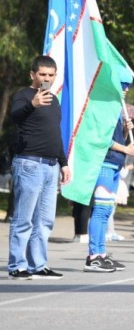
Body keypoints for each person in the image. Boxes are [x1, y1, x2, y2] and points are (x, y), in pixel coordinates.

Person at [8, 55, 72, 279]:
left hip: (50, 166)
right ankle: (17, 265)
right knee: (23, 219)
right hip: (29, 163)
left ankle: (38, 264)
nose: (46, 78)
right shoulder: (23, 96)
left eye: (51, 75)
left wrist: (63, 163)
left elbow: (56, 134)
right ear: (32, 75)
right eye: (42, 74)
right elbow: (14, 117)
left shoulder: (54, 100)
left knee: (44, 220)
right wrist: (32, 105)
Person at [84, 69, 134, 272]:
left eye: (127, 86)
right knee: (100, 210)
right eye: (122, 85)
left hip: (115, 164)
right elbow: (99, 138)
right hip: (104, 164)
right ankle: (93, 255)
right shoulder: (102, 107)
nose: (125, 89)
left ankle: (101, 252)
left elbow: (114, 138)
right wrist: (126, 148)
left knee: (107, 210)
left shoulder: (116, 108)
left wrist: (124, 130)